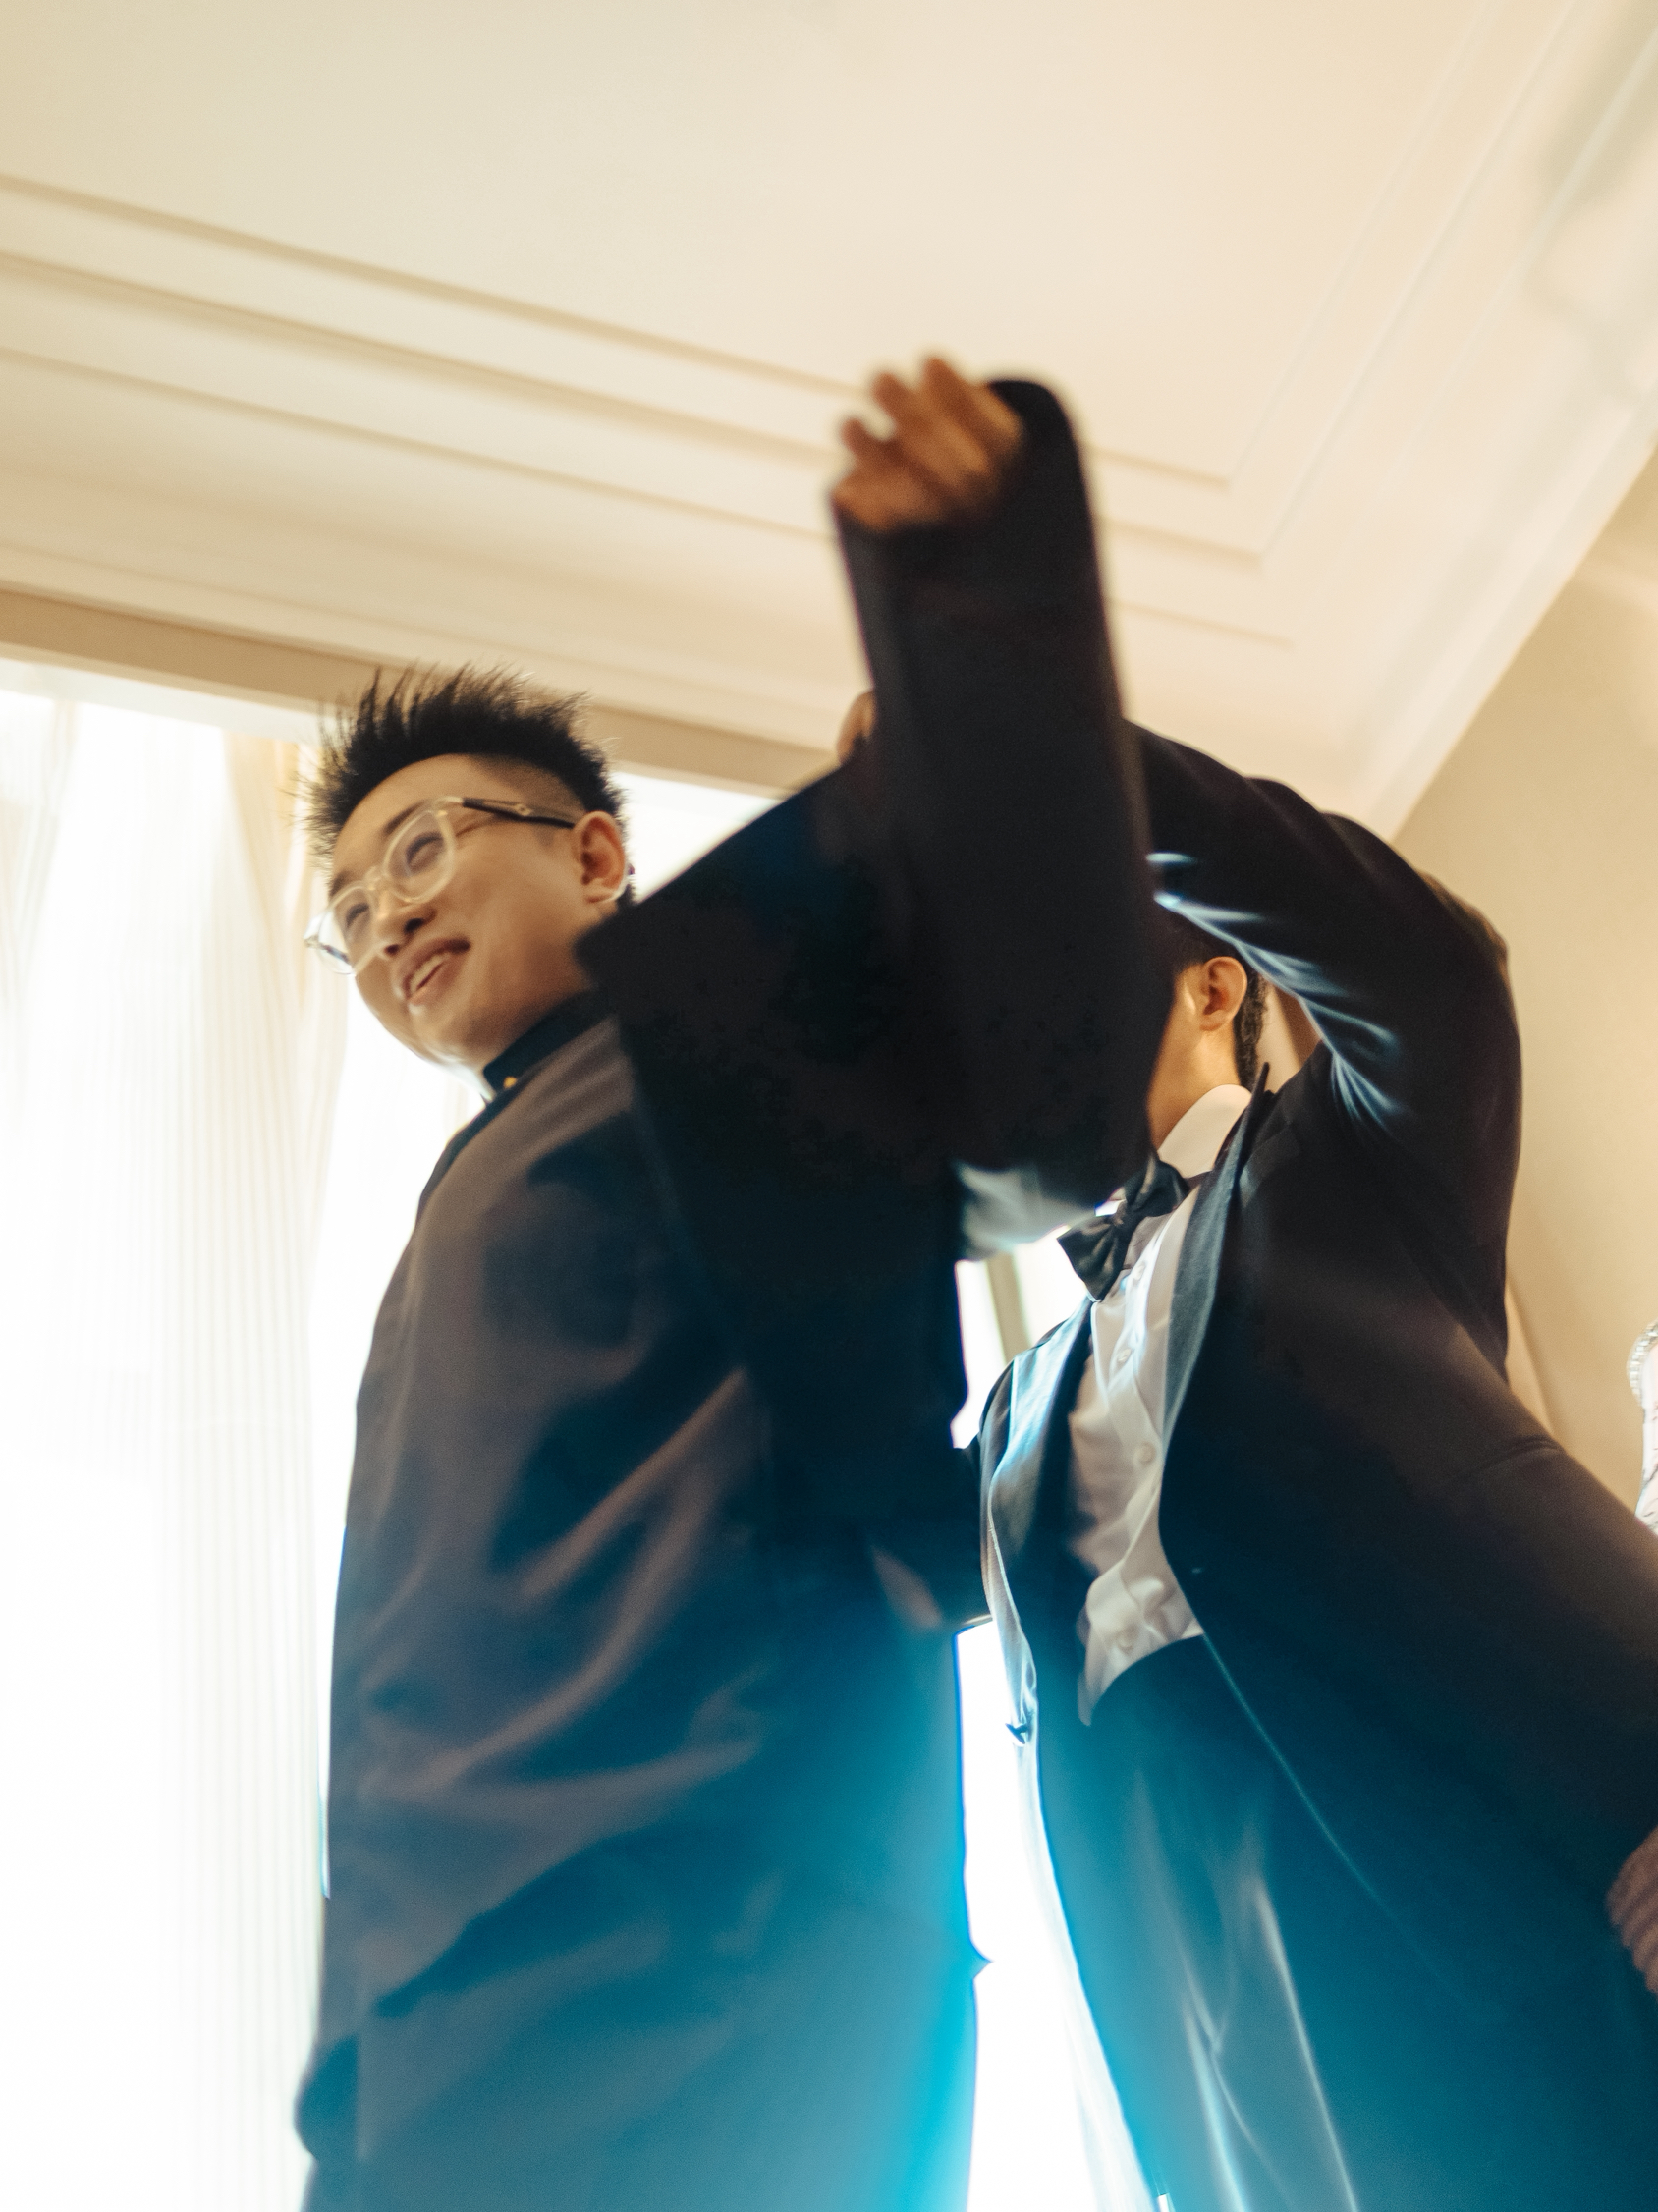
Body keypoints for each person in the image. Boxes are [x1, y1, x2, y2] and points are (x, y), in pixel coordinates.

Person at [292, 359, 1169, 2212]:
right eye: (353, 912)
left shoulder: (718, 1031)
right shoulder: (449, 1207)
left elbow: (1047, 1092)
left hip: (708, 1935)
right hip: (445, 2011)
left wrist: (974, 615)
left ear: (596, 854)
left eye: (423, 848)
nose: (391, 919)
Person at [948, 405, 1658, 2210]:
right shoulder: (1006, 1412)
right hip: (1229, 2022)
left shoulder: (1344, 1165)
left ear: (1212, 981)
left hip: (1536, 1881)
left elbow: (1432, 968)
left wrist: (1049, 766)